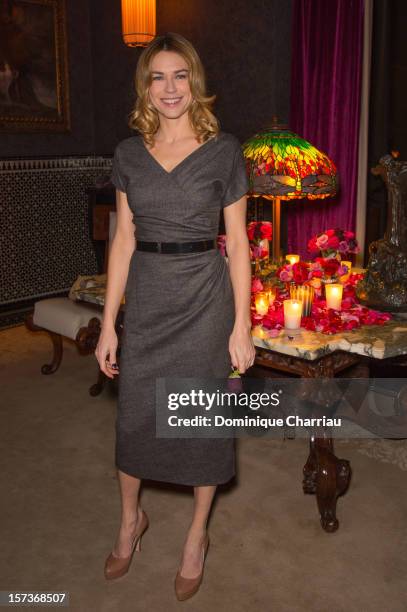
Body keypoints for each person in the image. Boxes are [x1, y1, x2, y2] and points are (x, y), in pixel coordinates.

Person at [95, 31, 255, 601]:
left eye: (180, 75)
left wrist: (242, 326)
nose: (169, 88)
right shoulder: (128, 153)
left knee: (202, 422)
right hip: (151, 297)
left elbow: (237, 243)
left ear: (196, 83)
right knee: (136, 418)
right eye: (157, 77)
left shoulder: (224, 151)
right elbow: (121, 242)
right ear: (145, 86)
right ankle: (129, 522)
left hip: (206, 300)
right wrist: (110, 321)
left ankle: (196, 536)